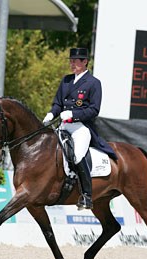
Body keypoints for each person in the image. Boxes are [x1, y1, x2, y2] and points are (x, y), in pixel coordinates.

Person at [43, 47, 117, 209]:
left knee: (77, 156)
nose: (72, 64)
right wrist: (51, 114)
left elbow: (94, 110)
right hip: (63, 125)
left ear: (85, 62)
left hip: (81, 127)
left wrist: (73, 115)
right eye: (71, 61)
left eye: (75, 61)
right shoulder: (66, 80)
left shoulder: (93, 83)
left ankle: (87, 195)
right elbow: (58, 103)